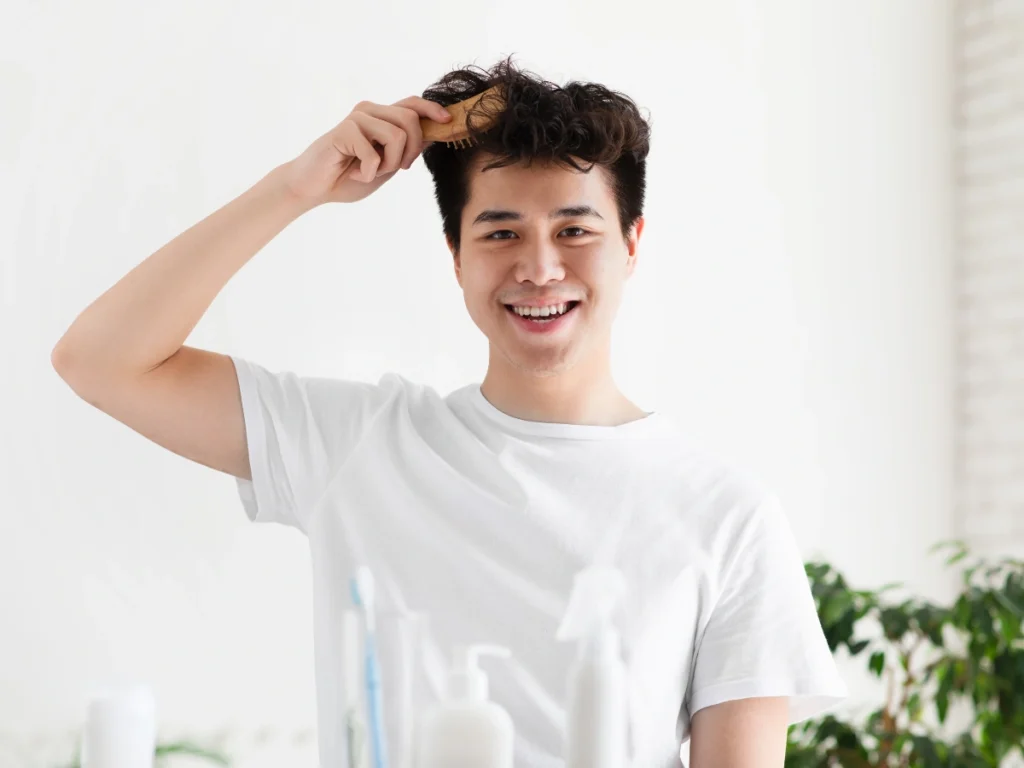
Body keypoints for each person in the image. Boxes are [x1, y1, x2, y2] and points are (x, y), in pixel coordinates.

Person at [53, 57, 847, 767]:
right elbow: (101, 361)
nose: (540, 268)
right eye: (500, 232)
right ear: (456, 256)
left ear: (632, 244)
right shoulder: (359, 446)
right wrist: (297, 188)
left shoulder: (729, 518)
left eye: (575, 229)